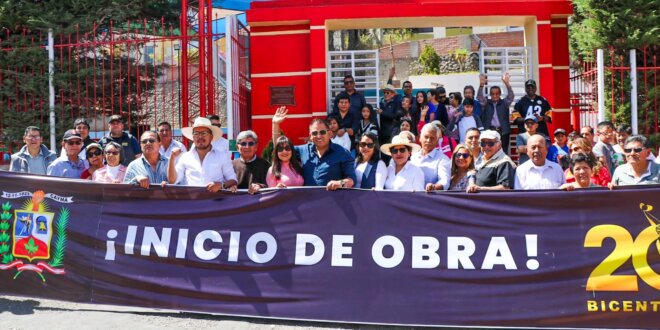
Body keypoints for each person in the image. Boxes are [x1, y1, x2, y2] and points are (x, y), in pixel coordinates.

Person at [272, 106, 356, 190]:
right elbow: (281, 148)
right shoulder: (303, 150)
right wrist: (275, 124)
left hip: (332, 202)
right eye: (315, 133)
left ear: (329, 134)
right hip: (308, 201)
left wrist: (340, 183)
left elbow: (351, 181)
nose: (319, 136)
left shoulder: (342, 153)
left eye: (322, 132)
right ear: (310, 136)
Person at [168, 117, 237, 192]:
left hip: (216, 201)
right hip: (192, 202)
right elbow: (173, 181)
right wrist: (172, 159)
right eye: (196, 133)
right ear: (193, 137)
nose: (200, 136)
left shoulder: (225, 150)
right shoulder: (185, 157)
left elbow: (233, 179)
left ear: (211, 136)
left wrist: (221, 185)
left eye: (204, 133)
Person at [477, 72, 514, 154]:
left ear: (500, 94)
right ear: (490, 94)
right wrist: (481, 85)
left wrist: (507, 84)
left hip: (503, 132)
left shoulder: (504, 103)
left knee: (503, 152)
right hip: (490, 131)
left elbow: (511, 96)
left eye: (497, 94)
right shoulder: (486, 103)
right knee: (491, 151)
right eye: (492, 94)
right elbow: (479, 97)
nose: (495, 96)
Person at [411, 123, 451, 191]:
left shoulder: (443, 159)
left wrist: (434, 187)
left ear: (437, 141)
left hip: (430, 198)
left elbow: (445, 181)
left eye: (432, 138)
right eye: (426, 137)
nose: (428, 140)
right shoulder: (413, 157)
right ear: (420, 138)